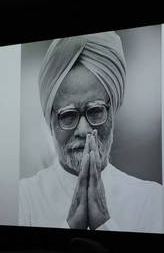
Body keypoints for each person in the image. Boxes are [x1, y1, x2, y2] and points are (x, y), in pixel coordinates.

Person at [19, 31, 163, 233]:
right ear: (50, 120)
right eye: (68, 115)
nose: (84, 129)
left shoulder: (153, 201)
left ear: (112, 112)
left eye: (95, 111)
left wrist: (103, 223)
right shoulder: (23, 199)